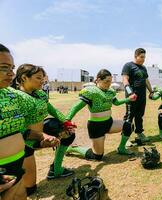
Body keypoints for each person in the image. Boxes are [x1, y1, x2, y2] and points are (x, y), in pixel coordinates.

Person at [0, 44, 57, 199]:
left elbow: (18, 128)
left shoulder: (12, 95)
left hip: (16, 169)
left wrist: (41, 137)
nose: (11, 73)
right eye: (5, 67)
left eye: (12, 68)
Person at [15, 64, 73, 196]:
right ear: (24, 78)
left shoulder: (40, 94)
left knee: (69, 134)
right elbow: (17, 128)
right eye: (38, 78)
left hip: (42, 135)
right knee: (30, 189)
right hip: (24, 141)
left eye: (43, 78)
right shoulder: (16, 97)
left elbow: (51, 109)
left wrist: (66, 122)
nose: (43, 81)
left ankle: (56, 169)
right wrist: (41, 137)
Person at [65, 69, 136, 159]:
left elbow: (116, 102)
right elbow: (76, 106)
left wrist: (128, 99)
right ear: (98, 80)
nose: (109, 84)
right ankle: (73, 148)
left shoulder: (110, 91)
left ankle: (121, 148)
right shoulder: (91, 92)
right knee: (97, 156)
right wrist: (67, 120)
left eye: (110, 82)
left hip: (109, 123)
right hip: (96, 126)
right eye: (106, 81)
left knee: (128, 126)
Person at [119, 48, 154, 154]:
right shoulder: (128, 65)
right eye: (141, 57)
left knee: (139, 115)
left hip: (142, 96)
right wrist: (130, 93)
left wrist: (151, 91)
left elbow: (146, 80)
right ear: (136, 56)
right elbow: (125, 79)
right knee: (129, 116)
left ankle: (139, 133)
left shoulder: (143, 68)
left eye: (144, 57)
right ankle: (126, 138)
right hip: (132, 96)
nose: (143, 59)